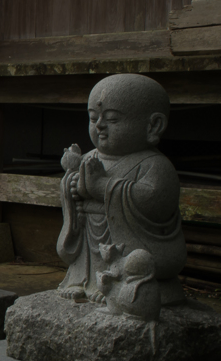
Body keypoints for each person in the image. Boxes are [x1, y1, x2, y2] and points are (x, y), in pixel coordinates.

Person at [57, 74, 186, 306]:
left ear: (153, 125)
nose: (99, 126)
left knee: (136, 261)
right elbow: (75, 192)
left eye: (113, 119)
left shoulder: (154, 164)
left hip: (132, 241)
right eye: (93, 117)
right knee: (88, 251)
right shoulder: (90, 157)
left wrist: (102, 186)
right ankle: (85, 281)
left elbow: (156, 201)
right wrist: (71, 185)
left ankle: (117, 286)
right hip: (90, 240)